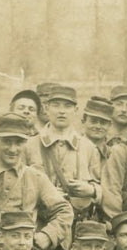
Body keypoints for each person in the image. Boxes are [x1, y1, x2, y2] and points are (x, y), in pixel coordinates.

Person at [0, 114, 73, 250]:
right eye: (7, 141)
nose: (13, 149)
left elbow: (64, 210)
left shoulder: (35, 177)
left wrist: (47, 235)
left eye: (19, 142)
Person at [26, 83, 103, 221]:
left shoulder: (88, 147)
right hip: (40, 222)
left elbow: (100, 185)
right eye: (56, 105)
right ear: (46, 108)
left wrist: (91, 190)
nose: (62, 111)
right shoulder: (30, 145)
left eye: (67, 106)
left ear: (76, 110)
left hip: (78, 222)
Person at [81, 96, 117, 161]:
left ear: (110, 125)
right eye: (93, 121)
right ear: (83, 121)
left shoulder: (113, 155)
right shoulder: (73, 151)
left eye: (103, 123)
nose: (98, 127)